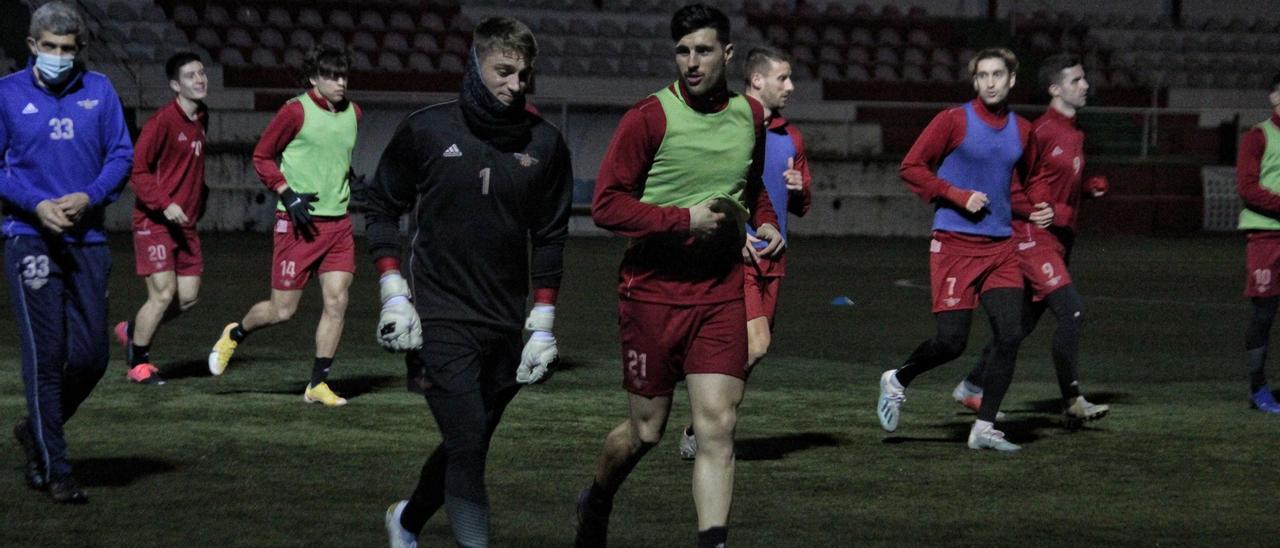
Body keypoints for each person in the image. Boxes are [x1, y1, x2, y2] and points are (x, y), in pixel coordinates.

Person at [575, 6, 784, 547]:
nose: (692, 62)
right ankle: (597, 497)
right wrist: (682, 220)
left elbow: (753, 183)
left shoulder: (750, 116)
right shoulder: (649, 117)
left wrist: (765, 220)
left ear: (728, 55)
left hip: (720, 295)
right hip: (651, 294)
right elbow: (606, 206)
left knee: (718, 429)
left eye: (704, 50)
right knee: (647, 431)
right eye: (683, 51)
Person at [367, 17, 572, 548]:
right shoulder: (426, 129)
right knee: (465, 441)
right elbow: (382, 208)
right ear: (476, 66)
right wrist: (394, 294)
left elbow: (550, 236)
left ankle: (406, 520)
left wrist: (543, 323)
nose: (515, 84)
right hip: (435, 320)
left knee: (470, 445)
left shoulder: (547, 145)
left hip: (504, 325)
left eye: (524, 75)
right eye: (504, 71)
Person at [876, 48, 1051, 452]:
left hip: (1001, 248)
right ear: (975, 82)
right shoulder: (953, 120)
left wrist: (1038, 207)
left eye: (997, 75)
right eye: (982, 76)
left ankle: (983, 427)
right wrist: (956, 195)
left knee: (1011, 333)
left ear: (1011, 80)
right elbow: (912, 167)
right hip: (954, 245)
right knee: (951, 343)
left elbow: (1027, 182)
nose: (989, 82)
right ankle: (898, 379)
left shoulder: (1023, 131)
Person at [0, 1, 133, 502]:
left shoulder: (98, 91)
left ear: (79, 50)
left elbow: (121, 153)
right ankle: (54, 468)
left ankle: (36, 428)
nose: (59, 56)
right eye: (50, 48)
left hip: (88, 241)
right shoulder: (6, 95)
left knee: (93, 358)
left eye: (67, 49)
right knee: (46, 355)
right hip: (28, 238)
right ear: (33, 47)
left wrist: (91, 196)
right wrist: (35, 204)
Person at [950, 54, 1110, 428]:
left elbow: (1053, 188)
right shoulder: (1040, 131)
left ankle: (972, 385)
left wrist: (1087, 188)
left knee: (1018, 327)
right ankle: (1073, 400)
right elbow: (1010, 185)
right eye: (1076, 80)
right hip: (1031, 239)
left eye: (1084, 79)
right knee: (1072, 312)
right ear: (1055, 89)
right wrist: (1040, 211)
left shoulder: (1074, 133)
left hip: (1057, 242)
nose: (1085, 86)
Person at [207, 46, 360, 406]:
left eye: (343, 76)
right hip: (297, 224)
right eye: (331, 76)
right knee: (283, 311)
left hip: (337, 225)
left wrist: (351, 179)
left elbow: (331, 156)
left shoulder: (355, 112)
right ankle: (236, 332)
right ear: (314, 79)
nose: (340, 83)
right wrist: (285, 192)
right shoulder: (295, 111)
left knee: (337, 301)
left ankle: (318, 384)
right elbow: (261, 156)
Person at [678, 45, 811, 460]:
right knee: (754, 345)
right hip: (737, 257)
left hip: (775, 258)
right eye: (783, 78)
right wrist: (732, 239)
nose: (790, 86)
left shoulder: (791, 136)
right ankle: (706, 427)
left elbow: (802, 207)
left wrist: (799, 189)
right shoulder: (730, 124)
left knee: (751, 349)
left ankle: (699, 428)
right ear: (756, 80)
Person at [114, 51, 209, 386]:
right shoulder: (161, 123)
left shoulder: (201, 117)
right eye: (190, 76)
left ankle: (132, 329)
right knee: (162, 294)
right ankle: (139, 365)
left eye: (201, 73)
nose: (199, 80)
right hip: (154, 222)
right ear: (174, 85)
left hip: (186, 225)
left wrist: (201, 195)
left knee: (188, 297)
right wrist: (165, 203)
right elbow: (137, 173)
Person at [1235, 72, 1280, 415]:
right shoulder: (1258, 136)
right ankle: (1258, 388)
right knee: (1264, 314)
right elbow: (1248, 188)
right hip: (1266, 237)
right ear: (1274, 98)